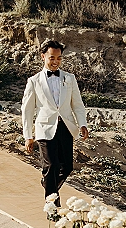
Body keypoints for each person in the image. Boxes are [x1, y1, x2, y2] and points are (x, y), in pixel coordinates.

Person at [22, 40, 89, 206]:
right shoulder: (34, 81)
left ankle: (48, 183)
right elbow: (27, 110)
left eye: (59, 58)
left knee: (67, 167)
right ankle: (52, 204)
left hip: (66, 127)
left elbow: (77, 104)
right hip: (44, 128)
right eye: (52, 58)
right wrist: (28, 136)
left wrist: (82, 124)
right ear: (43, 56)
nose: (55, 61)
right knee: (51, 165)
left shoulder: (70, 78)